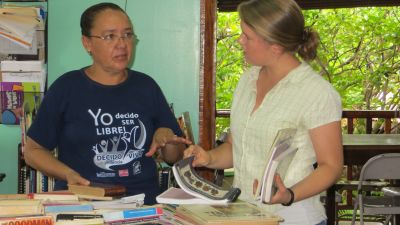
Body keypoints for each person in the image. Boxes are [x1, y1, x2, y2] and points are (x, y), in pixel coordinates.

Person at [184, 0, 343, 224]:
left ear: (275, 46)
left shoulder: (316, 92)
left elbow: (332, 167)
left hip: (294, 218)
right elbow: (236, 147)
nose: (240, 40)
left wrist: (289, 194)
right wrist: (208, 157)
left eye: (247, 36)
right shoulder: (247, 80)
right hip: (246, 216)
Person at [24, 2, 190, 205]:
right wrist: (68, 174)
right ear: (87, 43)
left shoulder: (146, 86)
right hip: (84, 205)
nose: (122, 44)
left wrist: (168, 139)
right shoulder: (66, 88)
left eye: (127, 35)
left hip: (142, 206)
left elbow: (175, 158)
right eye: (110, 36)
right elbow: (32, 151)